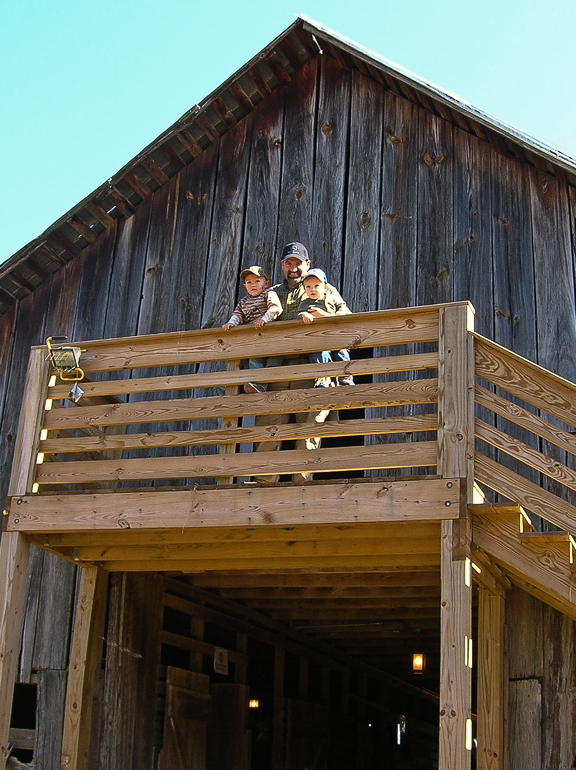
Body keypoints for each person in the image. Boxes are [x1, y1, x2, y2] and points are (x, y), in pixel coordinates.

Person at [252, 242, 349, 484]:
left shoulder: (324, 289)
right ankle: (263, 491)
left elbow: (346, 318)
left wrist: (322, 316)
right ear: (282, 266)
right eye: (288, 263)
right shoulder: (270, 292)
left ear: (308, 265)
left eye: (298, 263)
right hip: (276, 371)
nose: (293, 268)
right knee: (268, 432)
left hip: (312, 369)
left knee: (309, 432)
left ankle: (302, 489)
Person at [222, 265, 282, 393]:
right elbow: (238, 315)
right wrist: (231, 323)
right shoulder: (244, 301)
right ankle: (253, 385)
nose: (253, 285)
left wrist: (264, 320)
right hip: (252, 337)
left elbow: (276, 308)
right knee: (250, 361)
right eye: (249, 282)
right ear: (245, 286)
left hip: (266, 334)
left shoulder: (268, 294)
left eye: (257, 281)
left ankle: (258, 384)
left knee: (257, 359)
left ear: (266, 283)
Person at [297, 267, 355, 388]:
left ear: (325, 286)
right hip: (317, 338)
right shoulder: (306, 302)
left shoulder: (332, 298)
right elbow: (298, 315)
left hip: (335, 336)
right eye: (308, 287)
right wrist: (304, 315)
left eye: (316, 286)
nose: (312, 289)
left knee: (341, 354)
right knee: (318, 356)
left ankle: (346, 378)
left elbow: (344, 311)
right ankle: (321, 379)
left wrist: (334, 315)